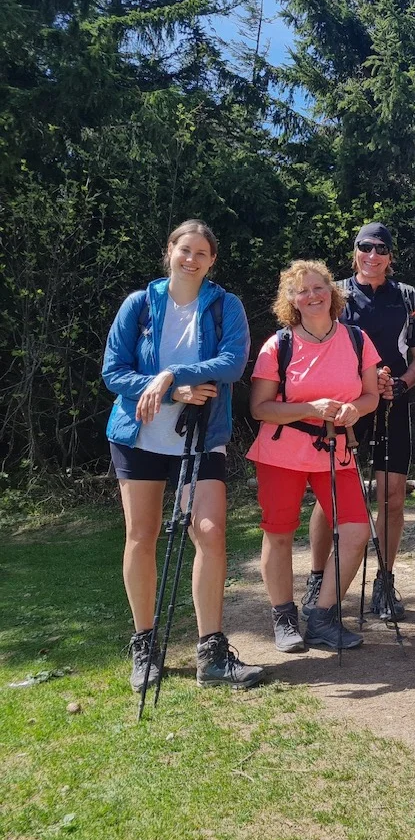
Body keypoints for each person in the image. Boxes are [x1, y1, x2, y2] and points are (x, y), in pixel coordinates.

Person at [103, 219, 264, 691]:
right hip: (139, 436)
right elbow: (114, 371)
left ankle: (211, 654)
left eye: (201, 253)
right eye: (184, 249)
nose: (191, 259)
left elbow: (233, 363)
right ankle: (145, 645)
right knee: (142, 535)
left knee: (210, 533)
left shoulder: (224, 305)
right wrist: (169, 391)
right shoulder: (139, 304)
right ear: (169, 252)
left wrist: (170, 374)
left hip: (202, 435)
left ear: (212, 260)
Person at [248, 260, 381, 651]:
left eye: (319, 287)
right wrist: (309, 409)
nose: (312, 296)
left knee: (356, 531)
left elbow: (371, 395)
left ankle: (322, 615)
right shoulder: (279, 344)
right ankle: (284, 617)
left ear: (332, 291)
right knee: (280, 535)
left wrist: (357, 408)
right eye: (302, 290)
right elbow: (260, 407)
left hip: (336, 451)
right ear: (291, 299)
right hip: (282, 451)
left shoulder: (357, 339)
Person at [304, 223, 415, 621]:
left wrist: (404, 383)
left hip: (392, 403)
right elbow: (318, 344)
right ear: (354, 250)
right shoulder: (334, 293)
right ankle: (317, 577)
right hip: (346, 405)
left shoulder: (407, 296)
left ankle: (385, 582)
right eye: (365, 247)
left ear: (391, 256)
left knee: (392, 495)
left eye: (381, 249)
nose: (372, 255)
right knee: (330, 495)